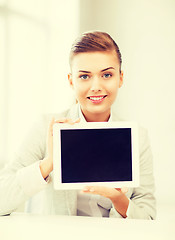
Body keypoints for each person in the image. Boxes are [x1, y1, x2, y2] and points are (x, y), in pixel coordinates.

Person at [0, 31, 156, 219]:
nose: (96, 86)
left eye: (106, 75)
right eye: (84, 76)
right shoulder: (46, 128)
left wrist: (118, 199)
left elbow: (148, 216)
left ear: (120, 78)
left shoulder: (137, 137)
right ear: (71, 81)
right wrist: (49, 162)